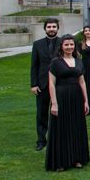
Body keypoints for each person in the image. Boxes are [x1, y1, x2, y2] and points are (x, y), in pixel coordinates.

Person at [45, 34, 90, 171]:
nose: (69, 47)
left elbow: (82, 82)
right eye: (66, 45)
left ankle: (76, 158)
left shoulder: (79, 62)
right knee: (61, 129)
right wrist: (54, 103)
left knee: (76, 128)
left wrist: (86, 101)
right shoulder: (55, 62)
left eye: (71, 44)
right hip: (61, 97)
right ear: (62, 46)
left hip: (76, 97)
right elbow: (51, 84)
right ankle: (61, 162)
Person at [30, 18, 60, 151]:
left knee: (58, 112)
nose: (52, 29)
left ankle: (57, 138)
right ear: (45, 29)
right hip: (42, 84)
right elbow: (34, 66)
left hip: (60, 84)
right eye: (49, 27)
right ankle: (41, 140)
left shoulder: (63, 43)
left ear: (57, 28)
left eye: (54, 26)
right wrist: (33, 84)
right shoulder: (37, 44)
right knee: (41, 113)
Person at [78, 25, 90, 114]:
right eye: (86, 31)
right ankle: (86, 106)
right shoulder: (81, 43)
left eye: (89, 30)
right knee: (85, 86)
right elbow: (78, 57)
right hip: (85, 67)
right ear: (84, 33)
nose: (87, 32)